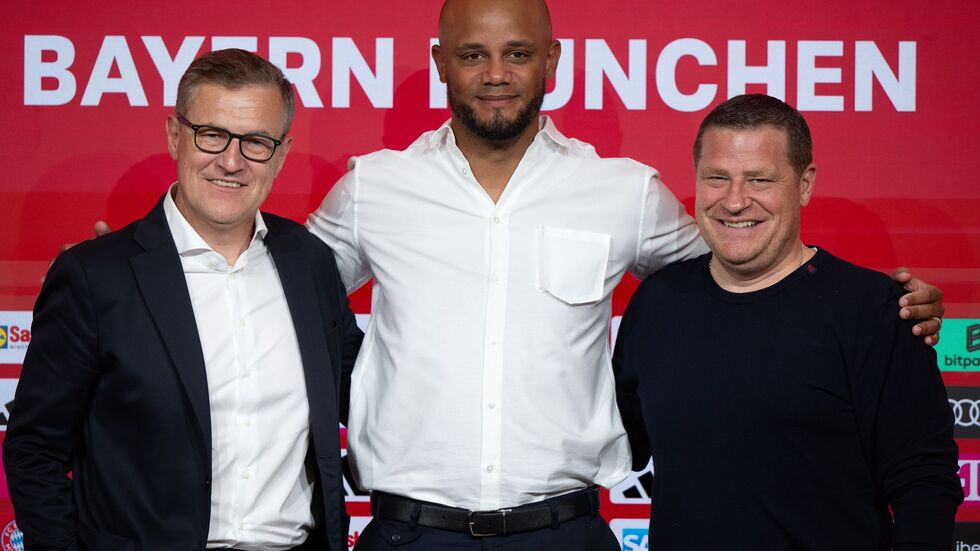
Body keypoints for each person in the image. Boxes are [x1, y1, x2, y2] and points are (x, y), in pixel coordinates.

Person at [305, 1, 946, 548]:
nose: (496, 74)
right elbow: (282, 290)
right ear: (442, 62)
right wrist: (355, 382)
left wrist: (875, 308)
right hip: (408, 533)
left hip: (567, 532)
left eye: (518, 53)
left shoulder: (624, 191)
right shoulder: (374, 187)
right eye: (473, 55)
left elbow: (747, 266)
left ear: (551, 61)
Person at [3, 49, 362, 551]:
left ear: (280, 154)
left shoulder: (311, 264)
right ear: (175, 135)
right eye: (212, 134)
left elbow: (368, 395)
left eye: (256, 142)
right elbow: (35, 450)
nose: (231, 161)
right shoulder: (95, 276)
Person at [613, 94, 963, 550]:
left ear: (804, 184)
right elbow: (615, 442)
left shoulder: (875, 311)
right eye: (717, 178)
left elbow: (925, 480)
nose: (735, 201)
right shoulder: (658, 302)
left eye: (760, 179)